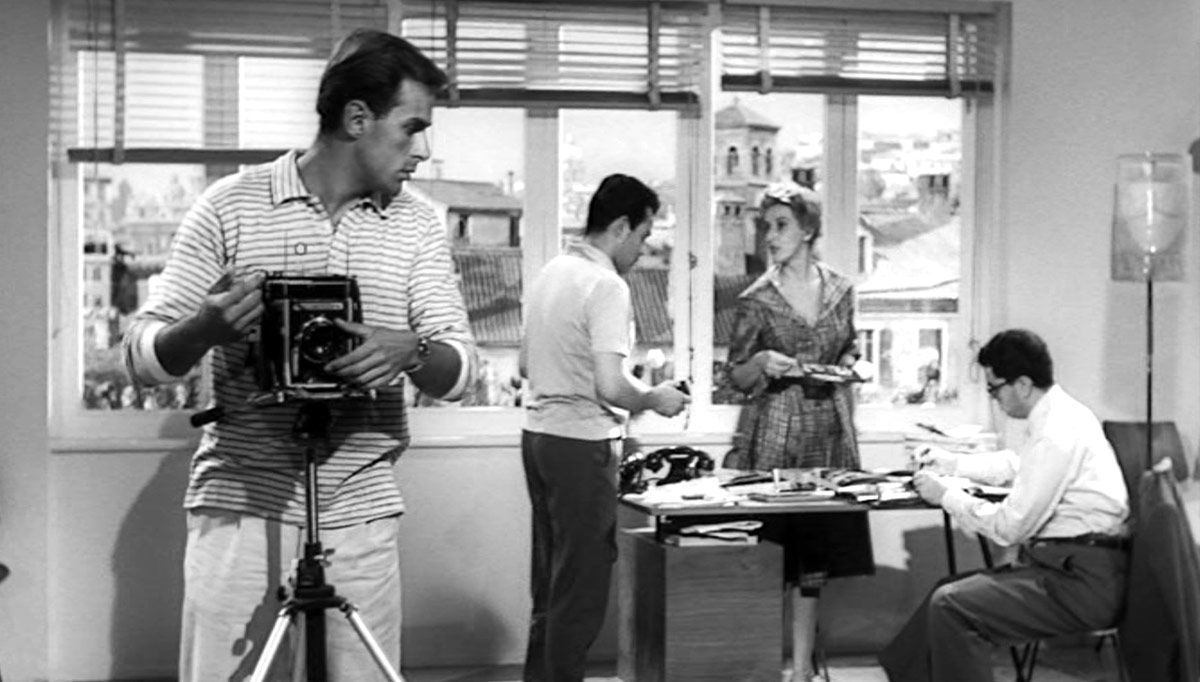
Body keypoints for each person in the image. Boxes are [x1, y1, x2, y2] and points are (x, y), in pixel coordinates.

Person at [122, 29, 476, 680]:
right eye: (413, 128)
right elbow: (141, 358)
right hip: (238, 505)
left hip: (361, 512)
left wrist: (411, 350)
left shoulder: (420, 223)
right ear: (357, 118)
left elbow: (461, 371)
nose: (424, 151)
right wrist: (204, 328)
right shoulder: (230, 206)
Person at [879, 329, 1130, 682]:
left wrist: (947, 496)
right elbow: (1017, 465)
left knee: (951, 605)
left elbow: (1010, 528)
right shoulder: (1059, 414)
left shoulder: (1056, 432)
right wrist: (952, 463)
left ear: (1023, 384)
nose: (994, 399)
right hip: (1071, 568)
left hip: (1080, 582)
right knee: (944, 591)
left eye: (994, 389)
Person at [519, 173, 690, 682]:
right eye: (643, 235)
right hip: (581, 445)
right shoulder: (606, 285)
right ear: (620, 227)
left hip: (538, 438)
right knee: (583, 585)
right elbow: (611, 386)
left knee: (551, 581)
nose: (643, 249)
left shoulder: (553, 271)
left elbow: (526, 364)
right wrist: (654, 397)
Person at [723, 180, 873, 682]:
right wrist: (762, 361)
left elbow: (848, 347)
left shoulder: (841, 290)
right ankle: (767, 665)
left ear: (807, 230)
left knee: (814, 559)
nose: (770, 236)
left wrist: (852, 365)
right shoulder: (757, 300)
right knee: (774, 557)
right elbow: (735, 376)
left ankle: (803, 668)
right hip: (776, 434)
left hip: (828, 432)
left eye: (781, 225)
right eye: (766, 226)